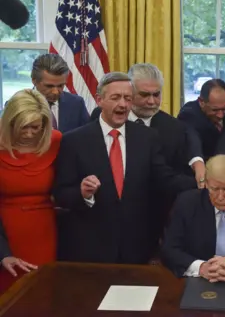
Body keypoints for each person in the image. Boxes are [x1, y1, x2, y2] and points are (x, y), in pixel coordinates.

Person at [53, 72, 196, 264]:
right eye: (115, 98)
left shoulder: (148, 137)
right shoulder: (74, 141)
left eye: (127, 98)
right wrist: (83, 193)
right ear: (100, 100)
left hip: (137, 246)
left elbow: (165, 179)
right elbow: (61, 193)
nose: (123, 104)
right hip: (90, 247)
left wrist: (202, 182)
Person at [0, 89, 61, 293]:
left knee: (44, 292)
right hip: (6, 235)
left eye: (36, 127)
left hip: (47, 231)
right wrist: (2, 254)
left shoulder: (56, 142)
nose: (29, 134)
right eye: (23, 127)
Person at [178, 79, 225, 162]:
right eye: (215, 110)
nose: (220, 115)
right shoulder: (188, 115)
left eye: (224, 109)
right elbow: (193, 143)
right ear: (201, 102)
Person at [31, 54, 89, 132]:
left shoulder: (77, 104)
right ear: (34, 81)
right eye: (49, 86)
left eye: (60, 86)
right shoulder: (17, 105)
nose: (55, 92)